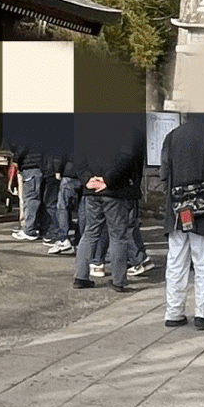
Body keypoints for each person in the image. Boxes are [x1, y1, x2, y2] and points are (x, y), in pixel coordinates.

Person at [159, 107, 204, 330]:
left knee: (176, 261)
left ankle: (174, 312)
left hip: (178, 209)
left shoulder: (172, 136)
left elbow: (164, 174)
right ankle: (203, 314)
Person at [73, 121, 144, 291]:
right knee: (118, 235)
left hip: (91, 189)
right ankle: (118, 280)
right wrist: (107, 180)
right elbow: (126, 157)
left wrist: (87, 178)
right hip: (115, 190)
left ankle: (80, 276)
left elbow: (77, 156)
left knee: (90, 232)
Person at [10, 141, 50, 241]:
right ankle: (38, 227)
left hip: (31, 164)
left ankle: (30, 230)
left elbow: (21, 146)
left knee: (31, 198)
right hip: (36, 165)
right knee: (36, 198)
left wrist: (15, 159)